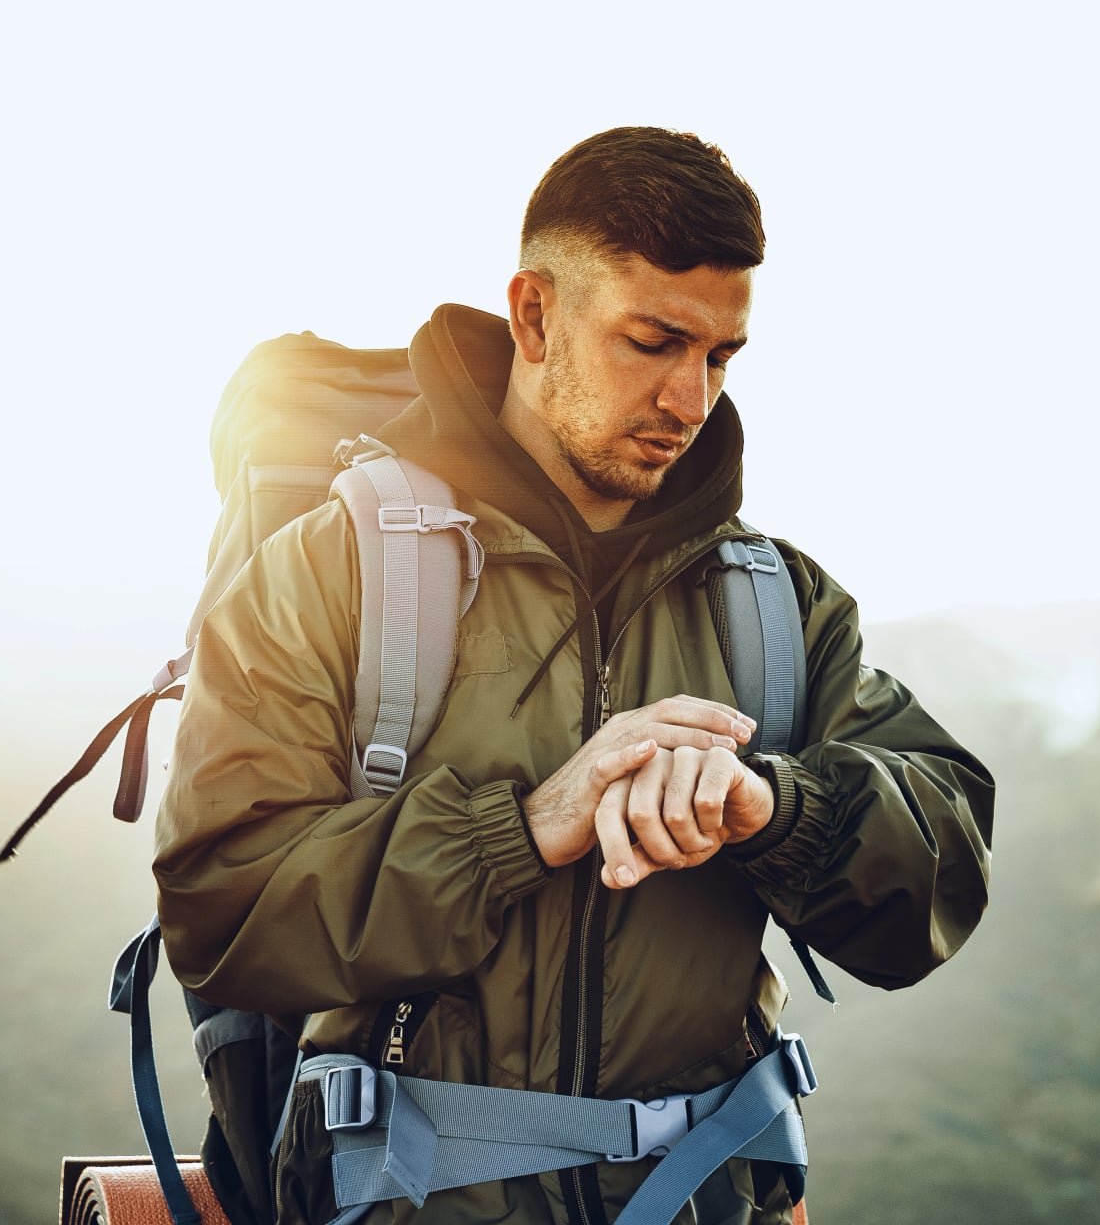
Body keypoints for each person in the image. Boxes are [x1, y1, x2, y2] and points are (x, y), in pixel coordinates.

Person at [153, 126, 995, 1225]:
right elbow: (221, 909)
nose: (691, 400)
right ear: (537, 315)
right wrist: (522, 826)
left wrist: (775, 806)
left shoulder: (773, 601)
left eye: (721, 355)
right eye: (652, 341)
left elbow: (942, 869)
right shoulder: (333, 573)